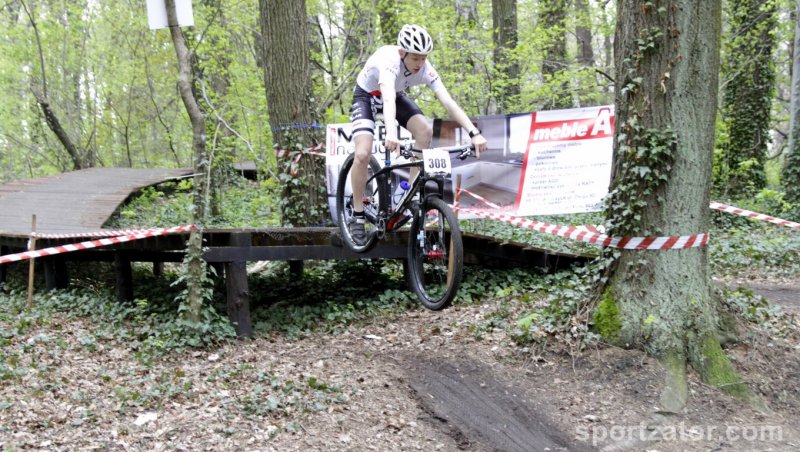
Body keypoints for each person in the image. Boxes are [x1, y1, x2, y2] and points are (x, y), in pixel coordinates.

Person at [348, 24, 488, 243]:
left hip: (395, 95)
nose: (420, 64)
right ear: (402, 53)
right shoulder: (389, 61)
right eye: (415, 58)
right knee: (363, 153)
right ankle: (357, 215)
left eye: (424, 58)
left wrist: (474, 132)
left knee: (425, 131)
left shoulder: (425, 68)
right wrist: (391, 133)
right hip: (367, 96)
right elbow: (387, 100)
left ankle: (407, 194)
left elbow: (448, 102)